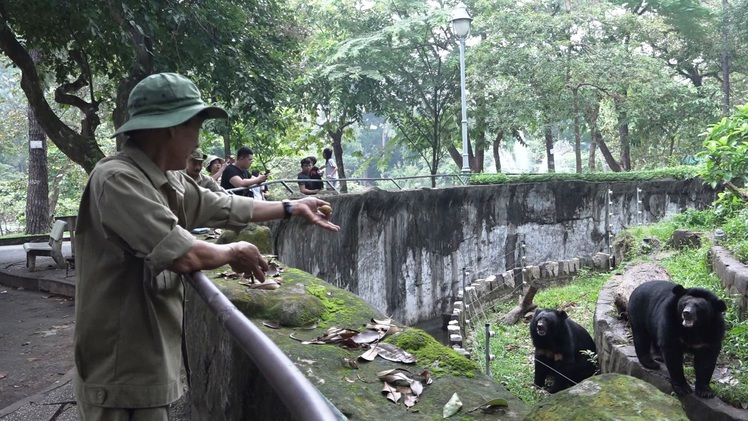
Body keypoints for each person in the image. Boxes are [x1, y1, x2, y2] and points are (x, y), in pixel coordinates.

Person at [73, 72, 339, 421]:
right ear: (171, 128)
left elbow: (223, 206)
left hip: (146, 360)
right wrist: (233, 251)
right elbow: (185, 254)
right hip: (119, 368)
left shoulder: (166, 177)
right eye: (195, 127)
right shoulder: (119, 180)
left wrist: (290, 207)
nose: (197, 141)